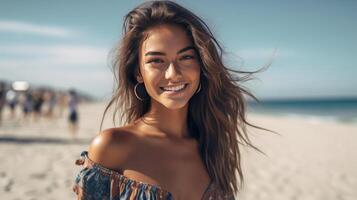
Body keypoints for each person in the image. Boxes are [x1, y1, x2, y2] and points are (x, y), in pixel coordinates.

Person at [73, 1, 263, 199]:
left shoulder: (213, 149)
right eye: (156, 60)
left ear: (201, 65)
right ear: (138, 72)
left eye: (186, 57)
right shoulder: (112, 147)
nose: (173, 74)